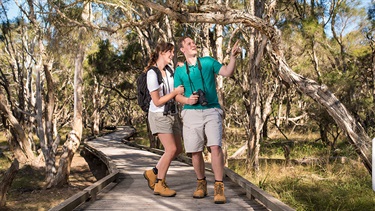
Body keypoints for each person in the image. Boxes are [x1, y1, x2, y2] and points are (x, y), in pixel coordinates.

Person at [174, 36, 240, 204]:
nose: (193, 44)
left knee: (215, 147)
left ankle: (219, 187)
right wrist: (188, 100)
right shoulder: (180, 71)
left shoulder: (208, 62)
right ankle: (201, 183)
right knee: (195, 151)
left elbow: (227, 72)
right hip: (191, 113)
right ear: (182, 50)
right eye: (188, 43)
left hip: (212, 110)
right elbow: (177, 96)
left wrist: (233, 57)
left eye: (193, 42)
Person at [143, 41, 184, 197]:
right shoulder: (152, 73)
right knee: (171, 149)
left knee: (178, 149)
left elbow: (179, 83)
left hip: (172, 114)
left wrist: (181, 69)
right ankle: (160, 184)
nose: (172, 55)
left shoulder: (170, 70)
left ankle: (153, 173)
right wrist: (175, 93)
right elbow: (157, 101)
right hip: (159, 115)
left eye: (173, 52)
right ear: (161, 53)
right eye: (170, 52)